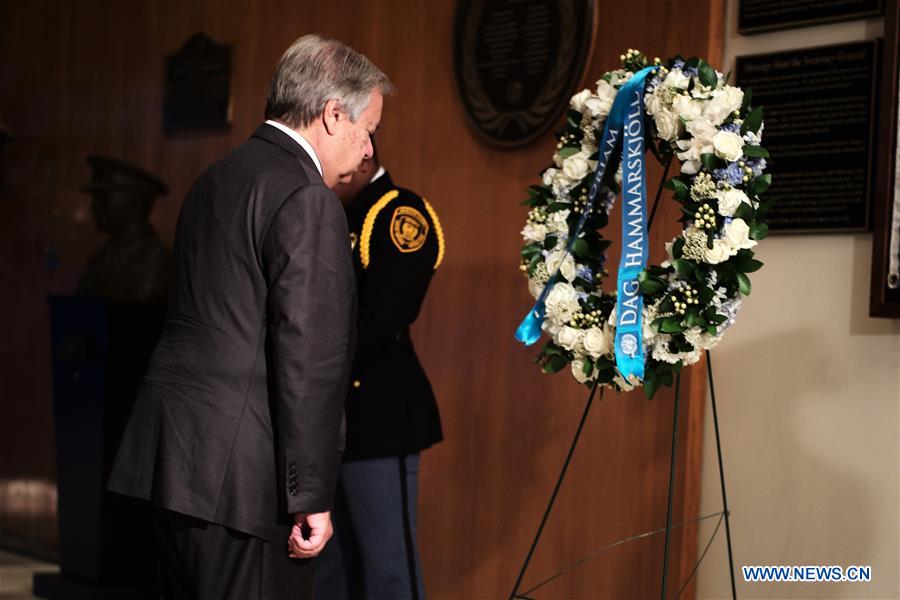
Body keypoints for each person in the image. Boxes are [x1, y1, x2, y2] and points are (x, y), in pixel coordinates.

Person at [107, 34, 392, 600]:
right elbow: (309, 357)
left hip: (174, 465)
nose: (367, 152)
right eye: (368, 131)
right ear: (334, 115)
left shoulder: (216, 178)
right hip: (243, 484)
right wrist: (310, 494)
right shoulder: (306, 197)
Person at [315, 142, 444, 600]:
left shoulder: (398, 213)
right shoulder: (334, 214)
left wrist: (305, 351)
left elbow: (385, 316)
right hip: (328, 420)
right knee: (331, 569)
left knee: (390, 571)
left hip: (378, 416)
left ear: (363, 159)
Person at [76, 154, 171, 302]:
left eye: (104, 198)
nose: (94, 207)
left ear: (133, 202)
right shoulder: (101, 256)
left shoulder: (153, 260)